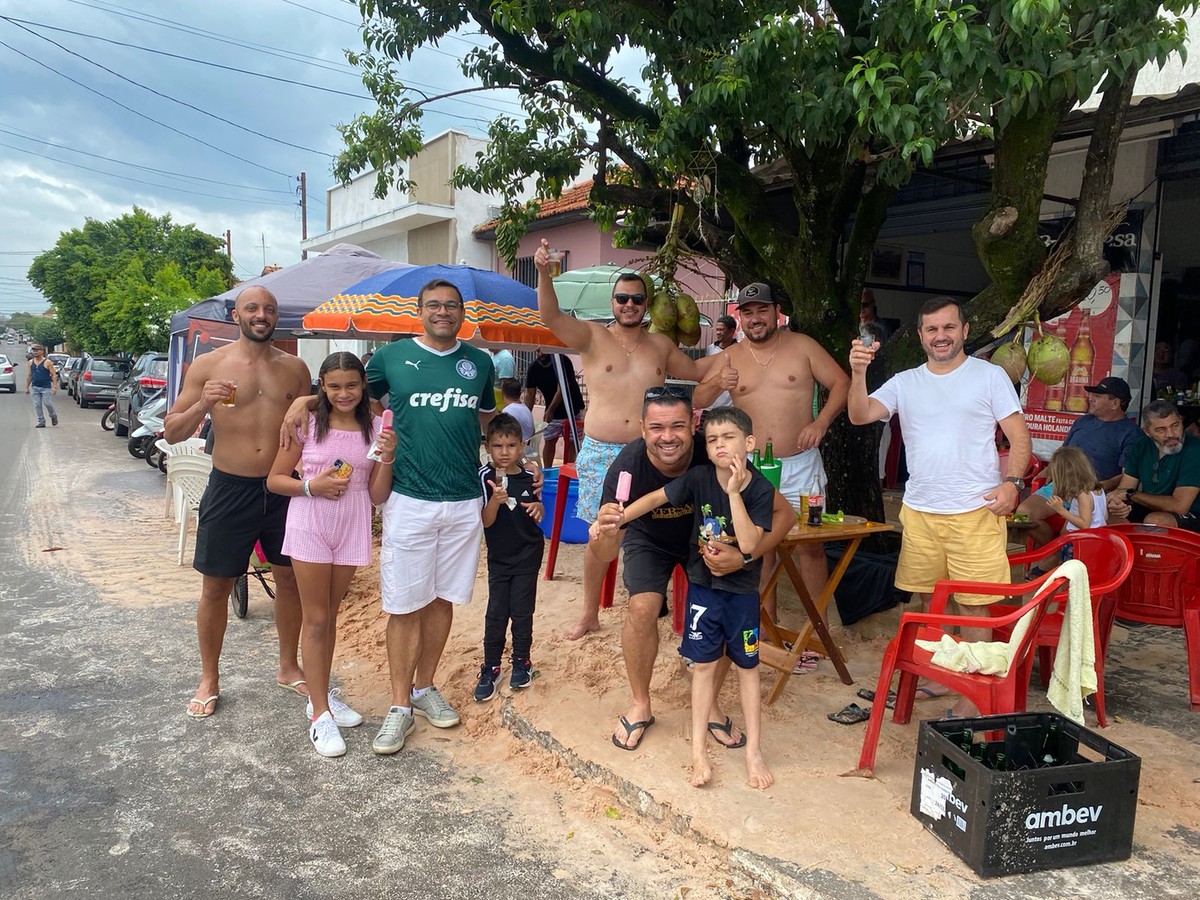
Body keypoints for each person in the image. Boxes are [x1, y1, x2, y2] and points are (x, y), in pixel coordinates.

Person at [848, 296, 1031, 716]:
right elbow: (860, 415)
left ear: (965, 331)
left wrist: (1012, 483)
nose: (941, 336)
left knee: (972, 603)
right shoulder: (905, 381)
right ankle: (940, 677)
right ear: (920, 336)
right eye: (932, 329)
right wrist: (858, 372)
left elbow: (1019, 437)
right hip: (921, 510)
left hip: (975, 510)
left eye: (949, 327)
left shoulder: (989, 377)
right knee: (931, 602)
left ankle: (978, 688)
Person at [590, 388, 796, 753]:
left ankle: (710, 702)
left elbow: (784, 515)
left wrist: (746, 558)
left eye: (677, 426)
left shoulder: (717, 450)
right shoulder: (627, 466)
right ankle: (640, 702)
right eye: (656, 427)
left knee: (724, 608)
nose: (667, 437)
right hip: (648, 539)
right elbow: (607, 550)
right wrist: (604, 529)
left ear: (694, 426)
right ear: (641, 428)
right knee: (641, 608)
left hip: (708, 542)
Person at [533, 239, 718, 640]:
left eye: (637, 299)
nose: (629, 304)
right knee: (602, 536)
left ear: (646, 305)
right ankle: (588, 613)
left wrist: (737, 357)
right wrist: (544, 273)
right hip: (602, 452)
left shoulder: (661, 345)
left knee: (666, 526)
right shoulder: (592, 337)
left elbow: (698, 369)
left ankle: (661, 600)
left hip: (656, 453)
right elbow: (549, 315)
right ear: (613, 301)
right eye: (622, 298)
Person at [163, 286, 313, 719]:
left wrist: (309, 398)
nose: (261, 314)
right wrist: (203, 404)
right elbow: (172, 431)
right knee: (216, 586)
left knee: (290, 581)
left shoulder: (296, 368)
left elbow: (317, 418)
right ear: (237, 315)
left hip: (284, 489)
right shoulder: (210, 365)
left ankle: (288, 667)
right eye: (252, 308)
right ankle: (209, 677)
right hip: (230, 488)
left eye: (269, 308)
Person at [365, 280, 496, 754]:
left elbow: (482, 418)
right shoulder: (390, 358)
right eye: (434, 305)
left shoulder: (480, 362)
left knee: (443, 599)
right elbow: (361, 395)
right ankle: (399, 706)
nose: (443, 312)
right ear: (418, 311)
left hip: (464, 500)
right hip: (409, 497)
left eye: (452, 306)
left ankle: (424, 688)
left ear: (463, 313)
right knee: (404, 604)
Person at [615, 406, 775, 789]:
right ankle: (698, 752)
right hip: (703, 590)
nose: (720, 446)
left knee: (748, 669)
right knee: (702, 666)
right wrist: (615, 519)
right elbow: (655, 499)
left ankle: (754, 751)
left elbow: (752, 543)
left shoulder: (760, 489)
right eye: (713, 439)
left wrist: (734, 493)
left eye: (729, 438)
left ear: (749, 443)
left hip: (742, 594)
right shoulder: (699, 477)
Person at [693, 283, 849, 624]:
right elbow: (699, 400)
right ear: (740, 318)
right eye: (747, 313)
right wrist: (719, 381)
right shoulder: (730, 355)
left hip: (802, 463)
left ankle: (816, 628)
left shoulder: (803, 345)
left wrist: (821, 423)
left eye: (761, 310)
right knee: (759, 547)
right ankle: (764, 628)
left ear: (776, 311)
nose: (755, 318)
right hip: (750, 469)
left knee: (810, 545)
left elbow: (841, 382)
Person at [266, 352, 396, 757]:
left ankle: (319, 694)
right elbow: (274, 480)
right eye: (335, 386)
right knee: (317, 617)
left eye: (352, 385)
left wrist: (389, 455)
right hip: (310, 520)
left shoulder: (375, 427)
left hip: (352, 522)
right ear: (322, 385)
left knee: (330, 615)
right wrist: (310, 486)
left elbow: (377, 495)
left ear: (363, 386)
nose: (344, 393)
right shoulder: (306, 423)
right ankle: (320, 715)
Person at [1015, 376, 1140, 546]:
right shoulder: (1083, 421)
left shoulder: (1131, 433)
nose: (1091, 398)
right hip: (1062, 486)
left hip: (1094, 492)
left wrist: (1100, 486)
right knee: (1023, 515)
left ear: (1115, 403)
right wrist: (1045, 474)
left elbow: (1127, 475)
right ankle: (1055, 552)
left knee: (1082, 531)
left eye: (1098, 396)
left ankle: (1059, 556)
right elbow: (1063, 453)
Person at [474, 413, 545, 701]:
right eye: (498, 446)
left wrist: (540, 510)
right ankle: (491, 666)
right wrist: (495, 500)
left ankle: (522, 661)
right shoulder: (485, 477)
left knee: (522, 609)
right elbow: (486, 521)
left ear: (522, 446)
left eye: (512, 446)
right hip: (500, 557)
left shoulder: (531, 475)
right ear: (488, 448)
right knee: (496, 612)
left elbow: (538, 511)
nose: (505, 453)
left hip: (528, 553)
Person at [1106, 400, 1200, 531]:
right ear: (1147, 431)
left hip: (1192, 514)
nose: (1171, 434)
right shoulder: (1141, 446)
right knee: (1107, 511)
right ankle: (1131, 551)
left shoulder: (1195, 449)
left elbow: (1180, 506)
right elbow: (1125, 488)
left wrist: (1131, 495)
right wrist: (1117, 504)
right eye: (1161, 430)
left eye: (1175, 425)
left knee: (1155, 521)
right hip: (1149, 508)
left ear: (1181, 420)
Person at [523, 350, 583, 464]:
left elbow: (562, 388)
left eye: (544, 351)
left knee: (571, 443)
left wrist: (550, 410)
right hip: (552, 413)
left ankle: (568, 468)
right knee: (549, 440)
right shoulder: (534, 368)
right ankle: (548, 471)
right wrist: (527, 415)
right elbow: (530, 393)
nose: (541, 354)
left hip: (572, 409)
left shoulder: (563, 362)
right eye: (538, 351)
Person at [1042, 446, 1106, 536]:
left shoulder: (1083, 495)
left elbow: (1085, 525)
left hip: (1081, 540)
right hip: (1095, 537)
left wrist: (1061, 510)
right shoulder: (1099, 490)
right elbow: (1104, 517)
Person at [705, 315, 738, 409]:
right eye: (717, 330)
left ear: (731, 331)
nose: (718, 333)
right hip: (710, 405)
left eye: (721, 330)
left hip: (729, 406)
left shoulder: (739, 350)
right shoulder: (711, 349)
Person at [26, 344, 58, 427]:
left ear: (42, 351)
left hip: (45, 387)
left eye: (37, 350)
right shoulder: (30, 362)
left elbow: (54, 375)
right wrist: (27, 387)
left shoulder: (47, 362)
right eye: (34, 350)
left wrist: (54, 386)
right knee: (37, 404)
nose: (35, 352)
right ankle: (41, 421)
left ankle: (53, 416)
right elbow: (29, 375)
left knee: (47, 403)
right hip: (35, 387)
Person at [500, 378, 535, 442]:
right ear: (520, 393)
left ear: (502, 393)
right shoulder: (526, 409)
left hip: (516, 448)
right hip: (527, 446)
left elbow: (503, 437)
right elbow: (533, 432)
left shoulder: (507, 412)